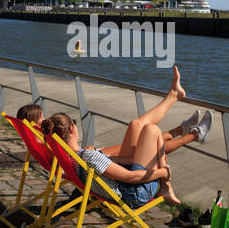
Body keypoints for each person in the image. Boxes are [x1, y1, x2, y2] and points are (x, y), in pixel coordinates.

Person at [40, 66, 213, 209]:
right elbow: (131, 178)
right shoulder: (87, 156)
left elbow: (116, 166)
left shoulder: (75, 157)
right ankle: (166, 181)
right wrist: (163, 171)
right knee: (151, 130)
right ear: (72, 128)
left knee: (136, 126)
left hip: (127, 185)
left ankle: (177, 105)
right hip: (135, 193)